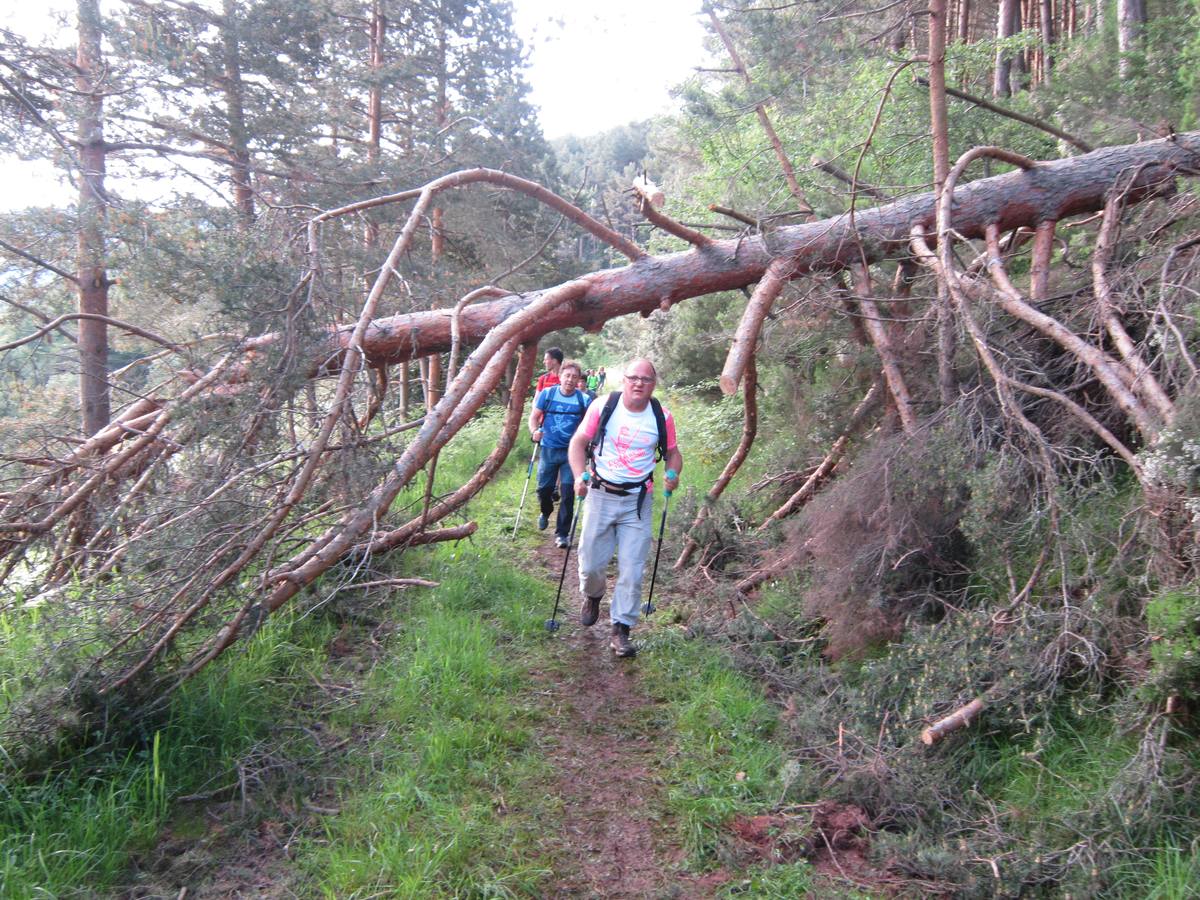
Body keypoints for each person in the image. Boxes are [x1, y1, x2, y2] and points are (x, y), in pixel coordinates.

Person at [568, 359, 682, 657]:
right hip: (600, 493)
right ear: (624, 380)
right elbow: (578, 442)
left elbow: (672, 452)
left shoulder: (661, 416)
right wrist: (579, 475)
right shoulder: (603, 407)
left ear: (653, 384)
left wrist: (673, 474)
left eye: (646, 379)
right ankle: (593, 595)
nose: (639, 383)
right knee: (591, 563)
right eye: (633, 377)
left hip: (638, 501)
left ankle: (621, 629)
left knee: (632, 568)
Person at [529, 361, 592, 548]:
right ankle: (545, 511)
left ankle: (562, 534)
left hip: (572, 454)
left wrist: (589, 445)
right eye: (567, 376)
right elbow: (534, 417)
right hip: (548, 449)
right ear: (561, 377)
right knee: (544, 490)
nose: (570, 380)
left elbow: (590, 426)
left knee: (568, 493)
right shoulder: (547, 395)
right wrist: (534, 431)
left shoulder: (584, 401)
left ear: (578, 380)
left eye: (574, 377)